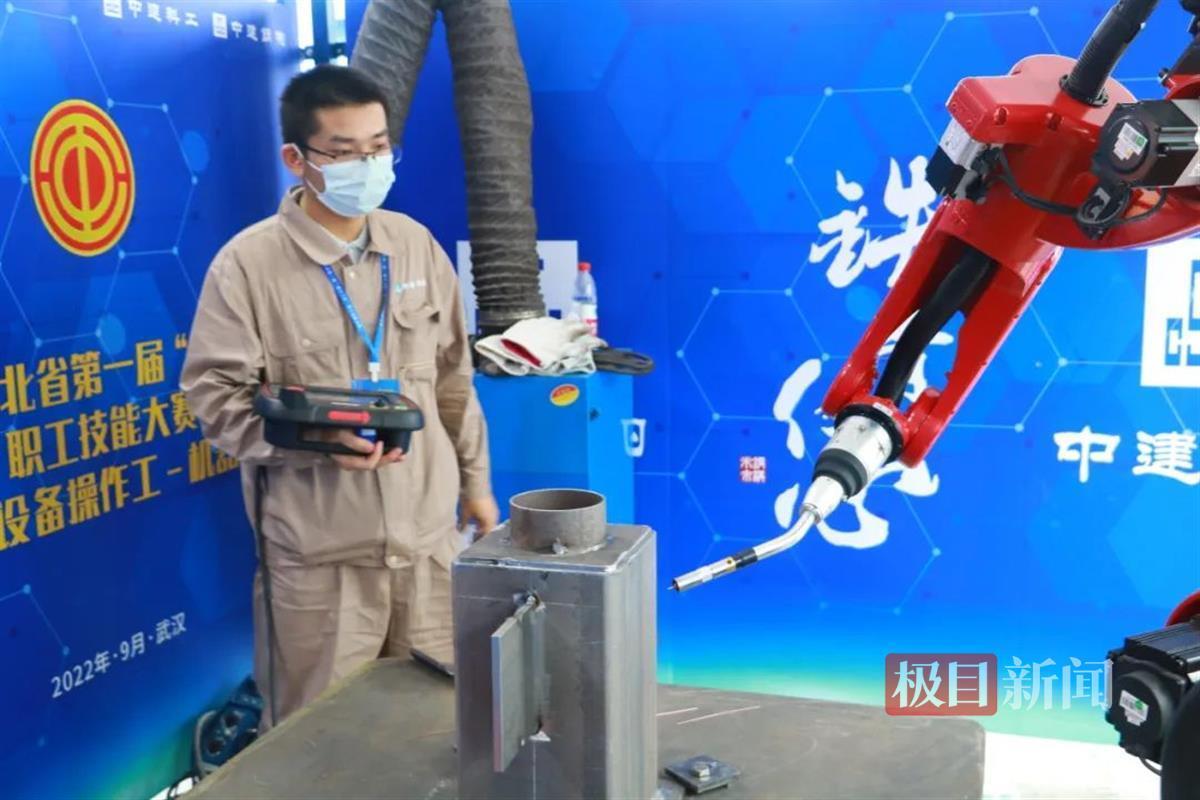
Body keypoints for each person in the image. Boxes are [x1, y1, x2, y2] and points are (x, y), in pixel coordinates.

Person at [181, 64, 499, 728]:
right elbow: (215, 401)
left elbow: (452, 379)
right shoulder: (247, 268)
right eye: (345, 152)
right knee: (318, 745)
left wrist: (476, 484)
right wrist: (317, 441)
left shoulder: (415, 247)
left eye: (379, 147)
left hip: (429, 553)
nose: (369, 165)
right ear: (296, 160)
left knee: (439, 732)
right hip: (320, 570)